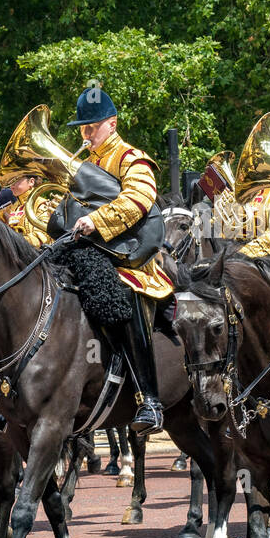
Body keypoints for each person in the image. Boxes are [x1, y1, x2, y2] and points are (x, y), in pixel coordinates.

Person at [68, 88, 171, 435]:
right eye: (82, 128)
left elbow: (139, 200)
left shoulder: (132, 159)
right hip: (88, 253)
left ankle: (150, 400)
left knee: (123, 297)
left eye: (91, 127)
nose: (86, 134)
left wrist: (96, 221)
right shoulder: (83, 164)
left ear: (111, 124)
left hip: (130, 258)